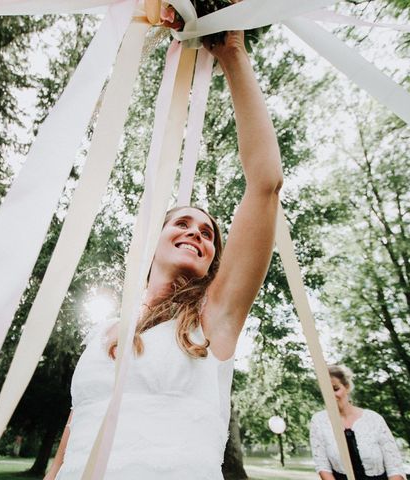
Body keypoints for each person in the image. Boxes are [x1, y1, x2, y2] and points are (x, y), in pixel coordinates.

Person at [43, 27, 283, 480]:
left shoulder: (214, 316)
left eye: (209, 233)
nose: (197, 233)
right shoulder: (105, 329)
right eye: (182, 223)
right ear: (153, 240)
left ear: (215, 259)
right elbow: (76, 431)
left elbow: (265, 184)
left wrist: (232, 53)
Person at [309, 365, 407, 480]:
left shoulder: (374, 419)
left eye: (336, 389)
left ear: (347, 387)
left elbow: (394, 467)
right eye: (326, 391)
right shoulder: (319, 421)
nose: (332, 395)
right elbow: (322, 466)